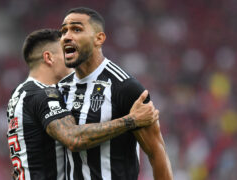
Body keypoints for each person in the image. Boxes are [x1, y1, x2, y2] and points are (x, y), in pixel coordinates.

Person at [6, 29, 159, 180]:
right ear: (49, 58)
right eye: (66, 53)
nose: (73, 62)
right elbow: (73, 138)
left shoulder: (19, 94)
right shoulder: (43, 95)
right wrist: (131, 120)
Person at [58, 7, 173, 180]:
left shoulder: (125, 88)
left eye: (76, 29)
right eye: (63, 31)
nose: (67, 36)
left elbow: (157, 154)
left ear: (99, 38)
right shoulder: (60, 89)